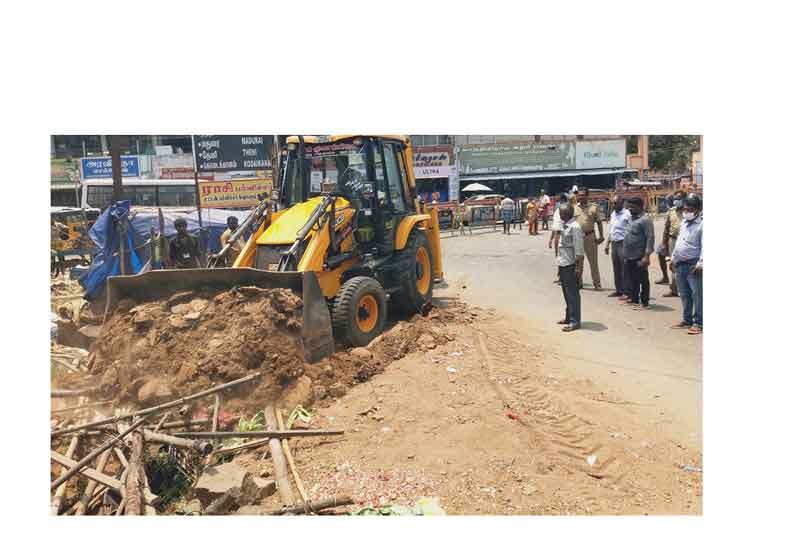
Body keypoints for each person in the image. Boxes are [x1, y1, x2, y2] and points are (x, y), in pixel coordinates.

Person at [670, 195, 703, 335]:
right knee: (684, 294)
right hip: (680, 263)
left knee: (698, 295)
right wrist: (673, 259)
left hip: (693, 264)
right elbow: (679, 242)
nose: (687, 211)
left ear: (698, 209)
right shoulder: (684, 222)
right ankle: (687, 319)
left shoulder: (703, 224)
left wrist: (701, 264)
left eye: (690, 209)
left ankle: (699, 322)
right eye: (685, 209)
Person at [622, 197, 655, 309]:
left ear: (640, 207)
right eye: (629, 206)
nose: (630, 209)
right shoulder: (631, 218)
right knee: (632, 278)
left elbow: (650, 238)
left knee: (643, 279)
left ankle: (644, 301)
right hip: (629, 254)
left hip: (639, 255)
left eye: (632, 207)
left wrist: (646, 256)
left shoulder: (645, 220)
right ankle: (634, 298)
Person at [556, 204, 584, 332]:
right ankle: (569, 316)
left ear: (567, 214)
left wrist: (578, 269)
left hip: (571, 263)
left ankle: (575, 321)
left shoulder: (575, 227)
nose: (560, 215)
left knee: (572, 294)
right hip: (563, 262)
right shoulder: (565, 224)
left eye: (561, 213)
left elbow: (579, 251)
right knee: (566, 293)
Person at [574, 188, 605, 290]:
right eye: (579, 195)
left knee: (593, 262)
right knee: (578, 262)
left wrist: (601, 236)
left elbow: (599, 222)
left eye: (583, 195)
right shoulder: (574, 208)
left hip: (590, 237)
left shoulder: (593, 207)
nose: (581, 197)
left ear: (587, 196)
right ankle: (579, 283)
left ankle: (597, 284)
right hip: (577, 237)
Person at [604, 196, 632, 298]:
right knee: (616, 268)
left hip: (623, 243)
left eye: (615, 203)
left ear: (621, 202)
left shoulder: (627, 214)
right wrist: (607, 243)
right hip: (614, 244)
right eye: (613, 203)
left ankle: (627, 291)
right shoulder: (613, 214)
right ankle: (619, 290)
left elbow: (630, 230)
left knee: (625, 268)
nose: (613, 205)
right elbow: (612, 230)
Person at [660, 190, 686, 297]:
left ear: (684, 199)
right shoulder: (671, 211)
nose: (676, 201)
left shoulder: (688, 211)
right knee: (673, 265)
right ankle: (674, 289)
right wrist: (664, 243)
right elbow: (666, 228)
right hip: (673, 241)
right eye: (675, 199)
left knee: (685, 265)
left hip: (685, 242)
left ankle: (685, 289)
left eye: (679, 199)